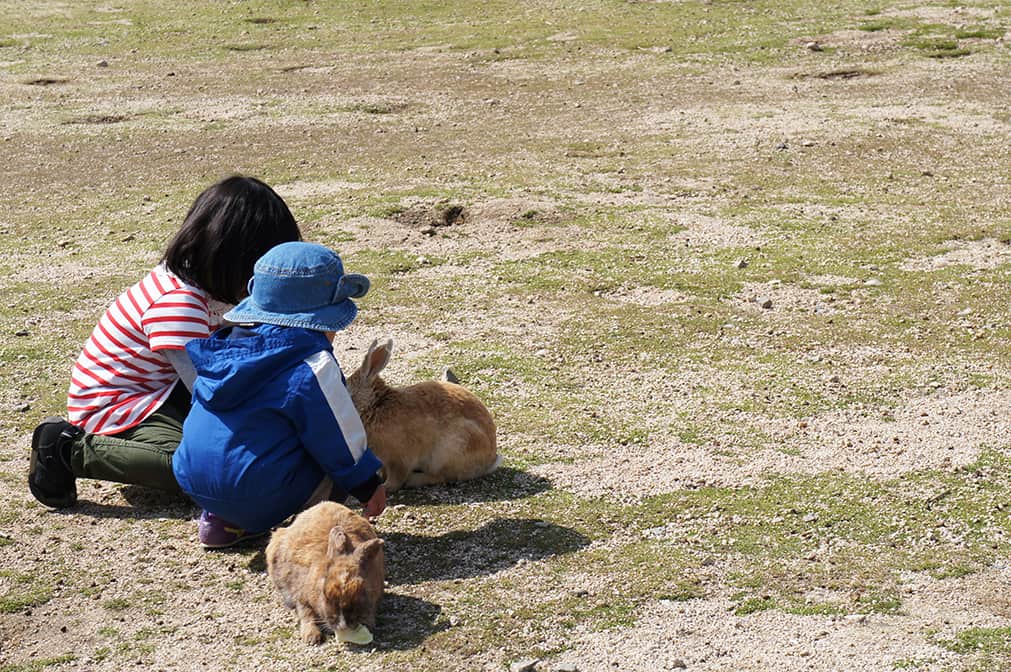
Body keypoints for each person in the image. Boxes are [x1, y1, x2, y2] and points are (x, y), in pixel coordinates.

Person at [28, 176, 302, 509]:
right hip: (116, 406)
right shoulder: (177, 303)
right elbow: (208, 389)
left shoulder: (208, 286)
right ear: (232, 257)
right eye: (260, 267)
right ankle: (67, 449)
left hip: (161, 390)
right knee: (202, 469)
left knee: (230, 446)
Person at [170, 241, 387, 548]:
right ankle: (313, 529)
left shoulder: (223, 346)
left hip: (192, 477)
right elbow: (338, 434)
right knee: (326, 454)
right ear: (322, 319)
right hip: (258, 493)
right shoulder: (312, 364)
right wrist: (368, 484)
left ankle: (221, 521)